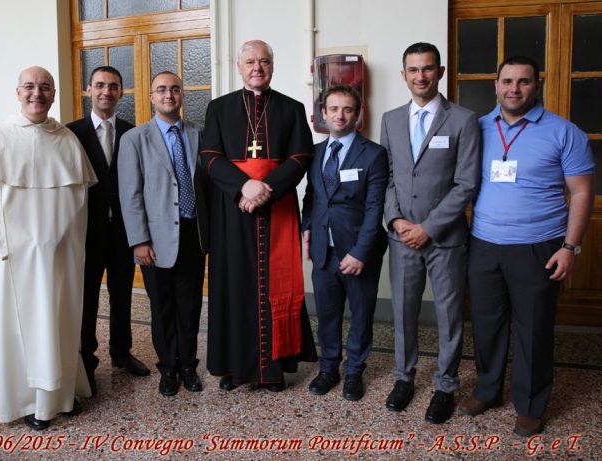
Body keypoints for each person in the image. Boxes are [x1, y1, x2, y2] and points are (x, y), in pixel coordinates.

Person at [460, 56, 594, 437]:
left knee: (533, 328)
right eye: (507, 81)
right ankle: (488, 389)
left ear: (537, 85)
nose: (514, 89)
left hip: (540, 246)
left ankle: (532, 403)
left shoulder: (564, 132)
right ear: (496, 85)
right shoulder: (479, 128)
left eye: (523, 82)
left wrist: (570, 246)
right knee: (486, 324)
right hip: (484, 243)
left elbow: (582, 192)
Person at [0, 66, 95, 430]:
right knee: (24, 329)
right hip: (17, 256)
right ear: (17, 92)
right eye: (29, 87)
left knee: (62, 322)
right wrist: (12, 245)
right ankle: (32, 402)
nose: (37, 93)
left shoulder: (67, 139)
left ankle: (63, 396)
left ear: (54, 94)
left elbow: (78, 201)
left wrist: (66, 245)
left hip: (61, 255)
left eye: (45, 88)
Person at [200, 40, 317, 392]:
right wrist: (243, 188)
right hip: (233, 213)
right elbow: (209, 155)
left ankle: (273, 369)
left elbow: (301, 156)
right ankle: (236, 368)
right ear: (238, 66)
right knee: (235, 286)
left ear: (272, 66)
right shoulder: (219, 108)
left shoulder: (291, 108)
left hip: (276, 208)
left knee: (275, 286)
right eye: (250, 61)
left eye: (264, 61)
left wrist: (265, 188)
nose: (257, 67)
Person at [380, 42, 480, 424]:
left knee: (449, 314)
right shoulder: (390, 119)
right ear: (403, 75)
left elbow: (466, 183)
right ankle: (404, 378)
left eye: (427, 69)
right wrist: (396, 221)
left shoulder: (463, 120)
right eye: (413, 70)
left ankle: (445, 385)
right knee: (404, 313)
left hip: (446, 239)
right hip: (402, 237)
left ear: (439, 72)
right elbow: (387, 177)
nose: (420, 76)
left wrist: (429, 228)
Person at [118, 71, 208, 397]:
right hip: (154, 241)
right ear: (152, 97)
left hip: (193, 234)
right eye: (162, 90)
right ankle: (168, 368)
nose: (169, 95)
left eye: (174, 89)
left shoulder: (199, 133)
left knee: (190, 306)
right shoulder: (135, 139)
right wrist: (139, 241)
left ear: (182, 95)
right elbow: (130, 194)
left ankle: (188, 366)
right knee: (162, 308)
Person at [301, 85, 388, 401]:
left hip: (359, 250)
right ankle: (328, 369)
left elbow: (374, 207)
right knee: (327, 313)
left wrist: (361, 251)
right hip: (324, 248)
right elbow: (312, 196)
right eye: (334, 109)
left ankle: (354, 372)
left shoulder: (374, 154)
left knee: (361, 313)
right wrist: (307, 228)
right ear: (323, 113)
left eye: (347, 109)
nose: (340, 115)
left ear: (358, 114)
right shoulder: (315, 152)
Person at [67, 66, 149, 394]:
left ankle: (121, 352)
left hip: (122, 232)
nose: (106, 91)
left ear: (121, 93)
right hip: (85, 232)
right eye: (100, 85)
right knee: (86, 298)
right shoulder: (70, 133)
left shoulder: (132, 133)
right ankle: (86, 356)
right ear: (88, 90)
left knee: (122, 295)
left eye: (113, 86)